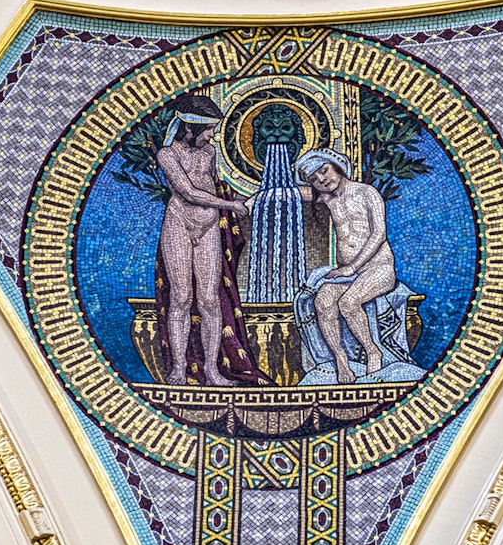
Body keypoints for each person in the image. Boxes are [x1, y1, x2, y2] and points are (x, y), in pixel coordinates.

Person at [154, 94, 271, 387]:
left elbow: (213, 185)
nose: (212, 135)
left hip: (208, 228)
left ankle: (212, 370)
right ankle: (179, 369)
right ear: (190, 126)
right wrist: (231, 206)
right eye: (207, 129)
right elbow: (189, 192)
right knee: (181, 297)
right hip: (179, 224)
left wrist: (242, 200)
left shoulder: (209, 153)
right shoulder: (167, 154)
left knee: (208, 300)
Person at [292, 149, 421, 385]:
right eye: (314, 178)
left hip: (378, 268)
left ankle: (373, 351)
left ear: (336, 167)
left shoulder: (366, 192)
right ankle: (341, 359)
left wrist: (352, 267)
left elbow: (379, 233)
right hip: (349, 274)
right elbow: (284, 195)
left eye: (324, 171)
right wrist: (245, 201)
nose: (322, 179)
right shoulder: (326, 198)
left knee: (348, 302)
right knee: (322, 300)